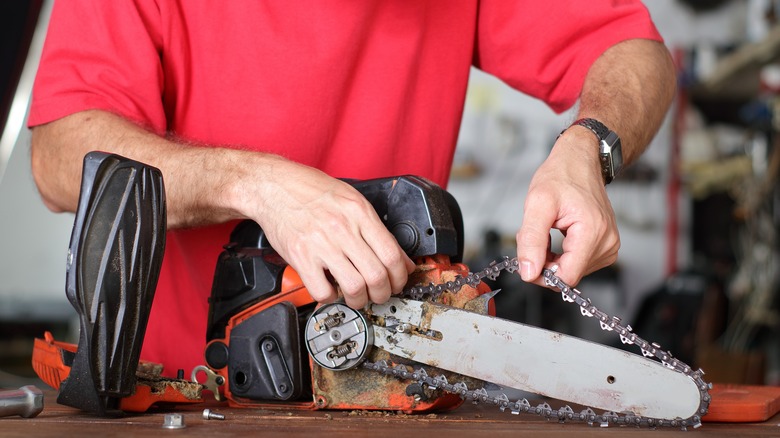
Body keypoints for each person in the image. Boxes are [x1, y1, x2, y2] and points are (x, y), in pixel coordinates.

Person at [28, 2, 675, 376]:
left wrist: (591, 145)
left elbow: (632, 50)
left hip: (390, 385)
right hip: (189, 393)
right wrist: (258, 185)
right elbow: (60, 158)